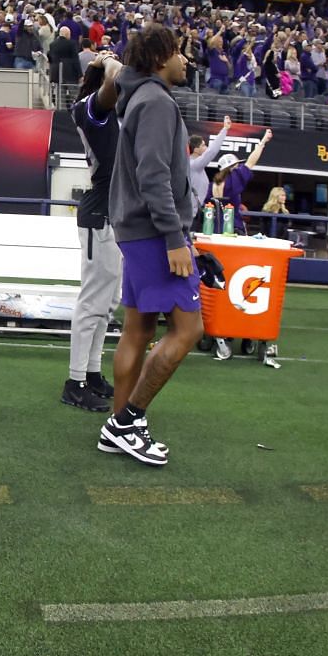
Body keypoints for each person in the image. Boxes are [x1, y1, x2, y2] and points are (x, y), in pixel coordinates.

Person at [99, 24, 204, 468]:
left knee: (138, 330)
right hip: (155, 234)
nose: (186, 61)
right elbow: (155, 177)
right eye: (179, 52)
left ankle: (117, 426)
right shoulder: (157, 102)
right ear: (162, 58)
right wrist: (175, 238)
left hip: (136, 230)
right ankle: (127, 422)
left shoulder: (138, 96)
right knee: (189, 329)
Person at [65, 54, 124, 412]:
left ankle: (92, 371)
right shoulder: (91, 109)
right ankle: (75, 381)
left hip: (111, 213)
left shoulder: (105, 114)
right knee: (92, 302)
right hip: (99, 212)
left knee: (106, 302)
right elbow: (116, 77)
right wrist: (107, 60)